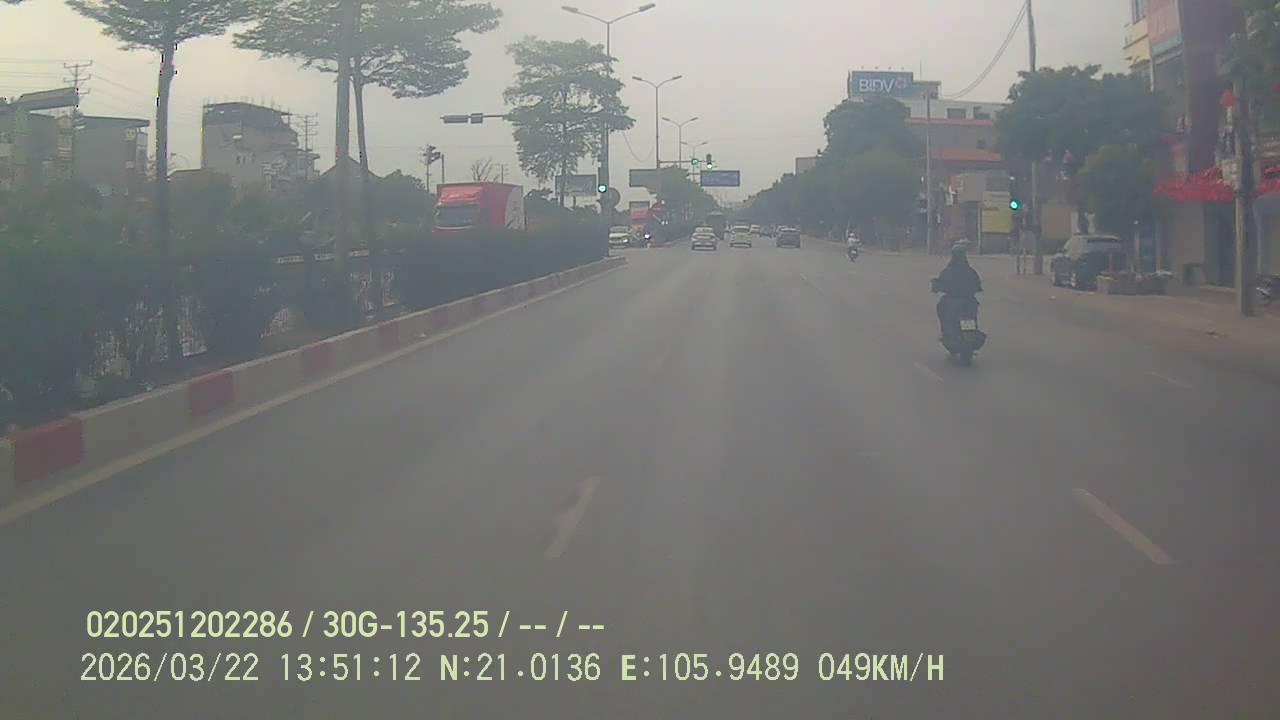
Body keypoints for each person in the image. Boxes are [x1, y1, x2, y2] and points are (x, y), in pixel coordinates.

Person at [933, 241, 982, 337]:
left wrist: (936, 286)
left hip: (953, 301)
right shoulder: (970, 271)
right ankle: (964, 332)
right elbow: (978, 285)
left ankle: (947, 333)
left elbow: (939, 285)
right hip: (968, 301)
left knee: (941, 307)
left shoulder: (948, 271)